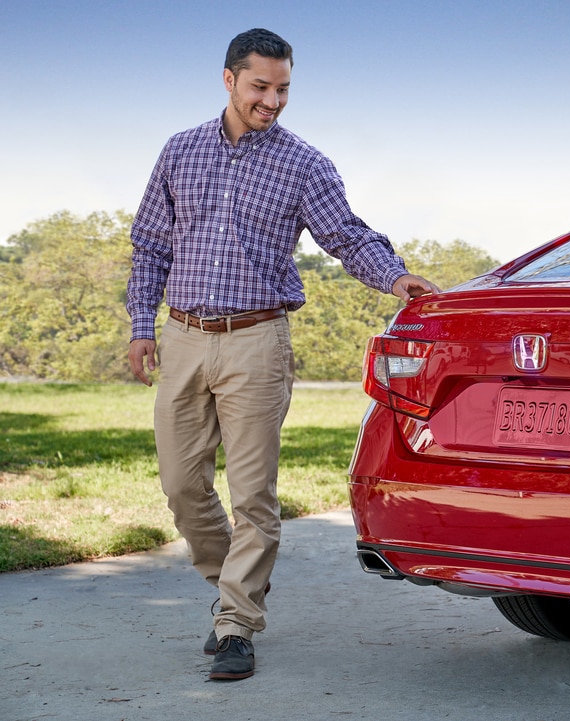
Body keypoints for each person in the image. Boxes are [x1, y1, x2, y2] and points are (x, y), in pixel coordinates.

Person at [126, 28, 439, 681]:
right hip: (183, 335)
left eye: (283, 88)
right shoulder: (179, 152)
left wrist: (394, 276)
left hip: (257, 341)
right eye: (260, 87)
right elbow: (151, 244)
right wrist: (141, 325)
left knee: (253, 495)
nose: (272, 100)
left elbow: (347, 235)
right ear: (229, 79)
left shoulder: (304, 164)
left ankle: (237, 621)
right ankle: (230, 587)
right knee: (183, 487)